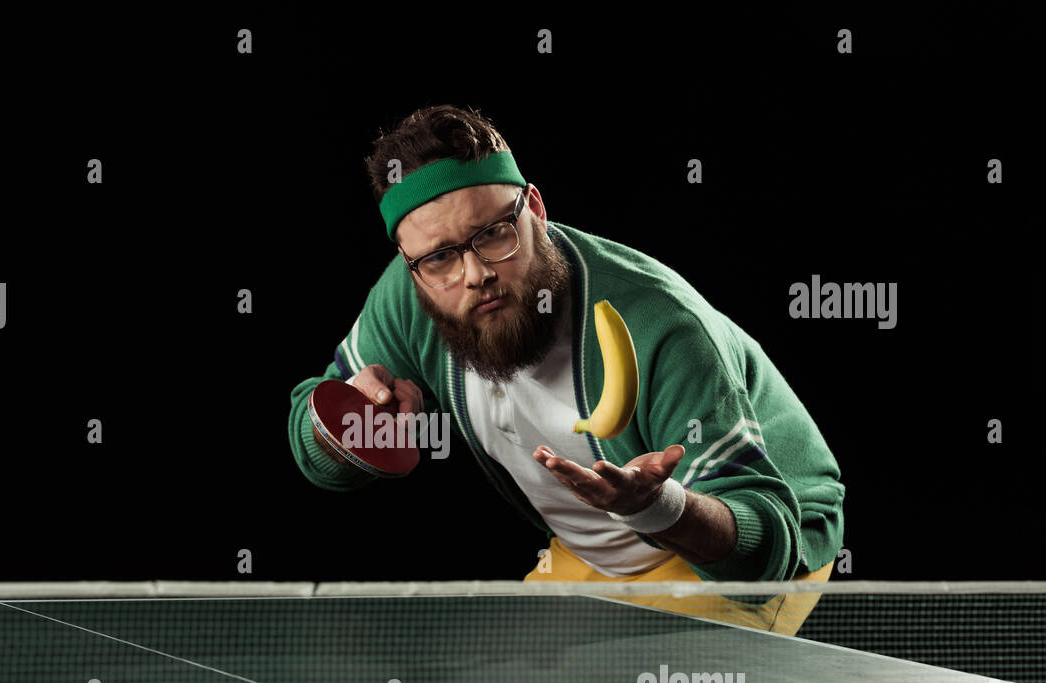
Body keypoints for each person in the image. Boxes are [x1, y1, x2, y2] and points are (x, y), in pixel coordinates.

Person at [287, 105, 845, 635]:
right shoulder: (413, 299)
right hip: (594, 551)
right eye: (439, 257)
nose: (476, 272)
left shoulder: (660, 326)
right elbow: (315, 448)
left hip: (748, 552)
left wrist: (658, 506)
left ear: (535, 209)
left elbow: (763, 552)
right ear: (412, 266)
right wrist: (352, 423)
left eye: (494, 233)